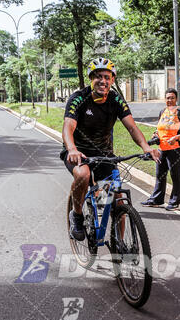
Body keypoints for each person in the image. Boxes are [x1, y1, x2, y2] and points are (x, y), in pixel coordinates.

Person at [61, 57, 160, 240]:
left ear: (112, 80)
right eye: (98, 76)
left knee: (119, 199)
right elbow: (68, 127)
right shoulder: (79, 99)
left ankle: (120, 245)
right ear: (91, 78)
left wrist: (146, 147)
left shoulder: (115, 100)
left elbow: (132, 127)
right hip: (78, 153)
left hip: (105, 154)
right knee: (83, 175)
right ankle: (76, 215)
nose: (103, 81)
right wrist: (72, 149)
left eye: (107, 77)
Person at [141, 88, 180, 211]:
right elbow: (160, 128)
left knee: (175, 175)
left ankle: (175, 201)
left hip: (176, 149)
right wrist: (155, 135)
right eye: (168, 98)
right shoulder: (162, 111)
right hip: (162, 148)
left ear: (176, 99)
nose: (170, 100)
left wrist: (176, 138)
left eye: (172, 98)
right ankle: (157, 199)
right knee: (160, 174)